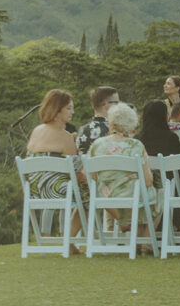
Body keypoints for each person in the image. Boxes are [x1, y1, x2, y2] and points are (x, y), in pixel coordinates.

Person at [24, 89, 88, 251]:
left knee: (84, 190)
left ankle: (69, 242)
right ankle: (69, 239)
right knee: (90, 193)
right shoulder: (65, 136)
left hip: (33, 190)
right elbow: (76, 173)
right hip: (57, 190)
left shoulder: (36, 131)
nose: (72, 112)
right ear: (57, 110)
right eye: (68, 108)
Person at [88, 103, 162, 238]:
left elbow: (93, 178)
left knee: (138, 194)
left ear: (111, 122)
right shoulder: (136, 145)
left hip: (105, 195)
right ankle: (145, 241)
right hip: (130, 195)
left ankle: (125, 222)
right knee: (160, 195)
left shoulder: (97, 144)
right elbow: (147, 181)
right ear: (132, 123)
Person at [75, 86, 120, 155]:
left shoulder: (82, 130)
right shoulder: (116, 130)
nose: (119, 106)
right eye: (116, 102)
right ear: (106, 104)